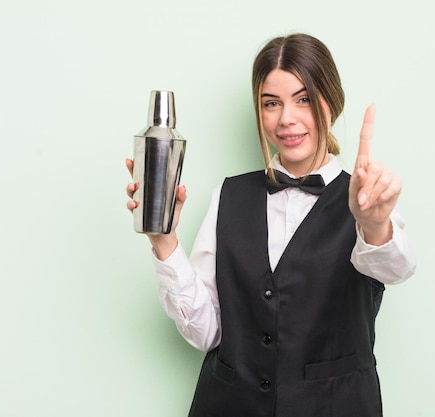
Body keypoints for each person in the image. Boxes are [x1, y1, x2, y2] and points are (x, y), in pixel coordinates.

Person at [126, 33, 416, 417]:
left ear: (332, 102)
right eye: (271, 103)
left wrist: (374, 225)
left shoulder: (366, 200)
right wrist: (163, 243)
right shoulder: (227, 196)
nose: (286, 119)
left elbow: (395, 268)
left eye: (304, 99)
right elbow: (207, 333)